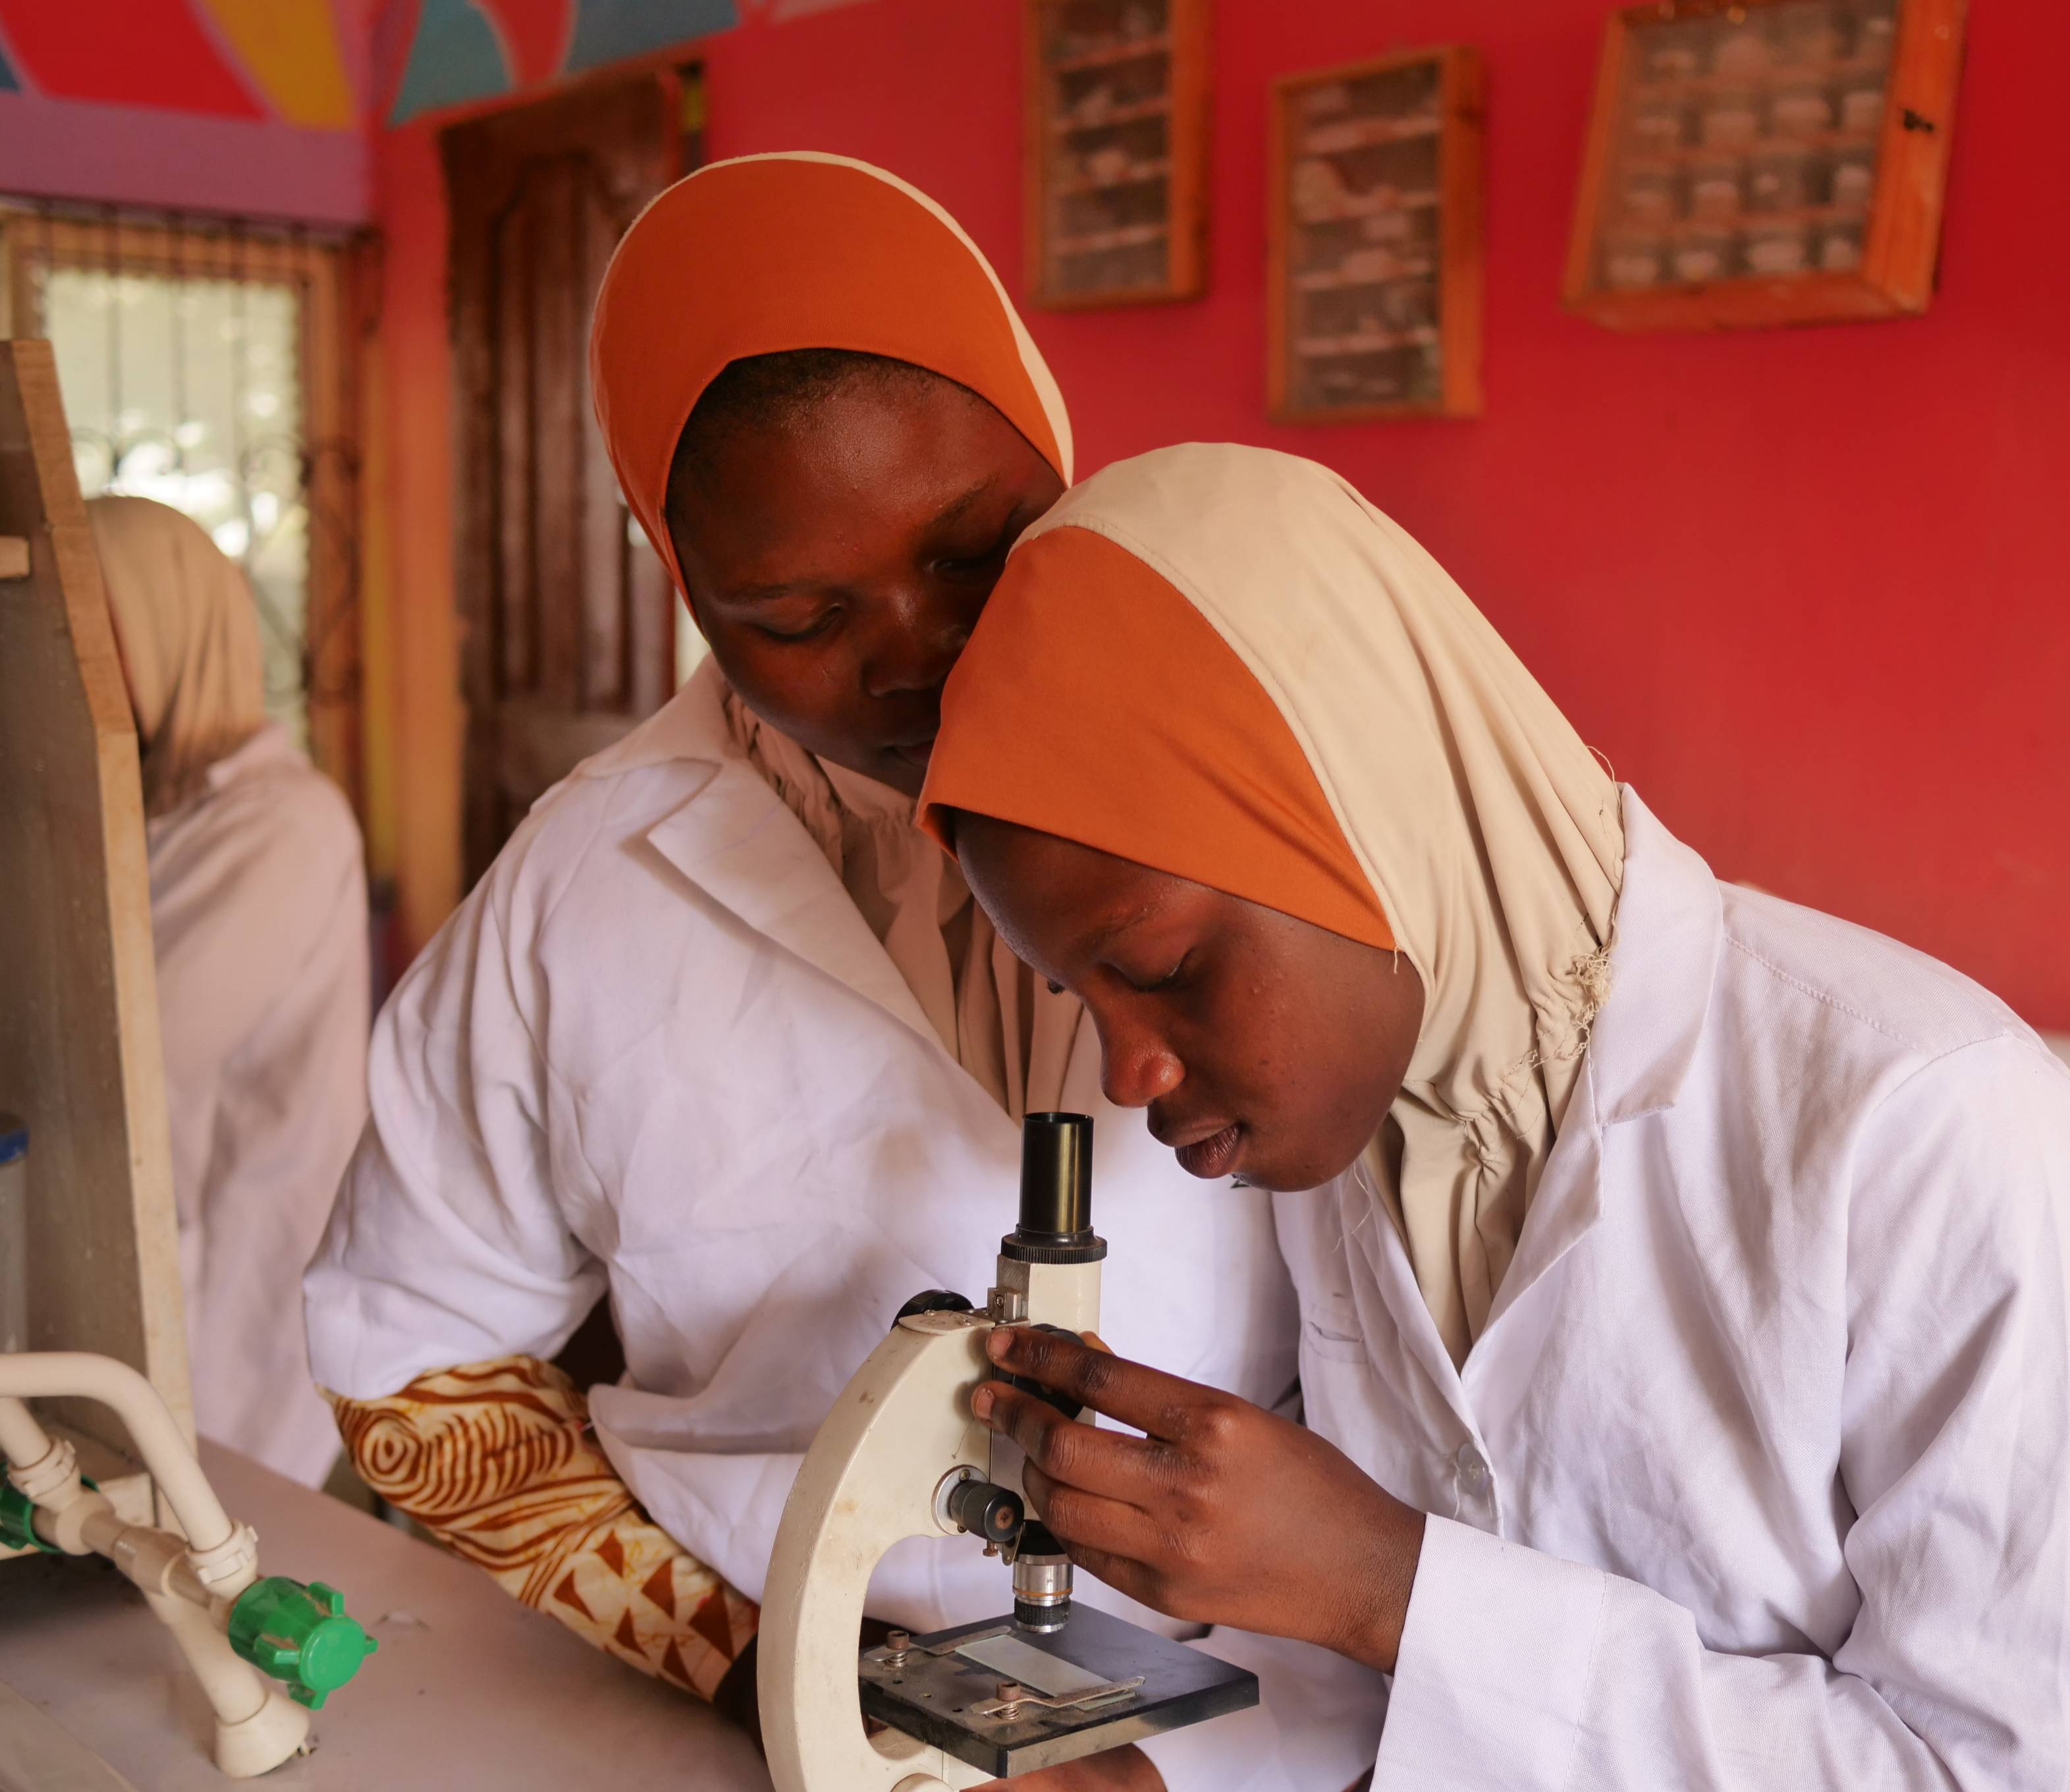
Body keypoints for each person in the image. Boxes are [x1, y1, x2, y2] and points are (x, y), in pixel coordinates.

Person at [918, 442, 2070, 1792]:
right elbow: (1397, 1692)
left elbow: (2006, 1775)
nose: (1125, 1068)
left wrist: (1390, 1581)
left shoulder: (1928, 1120)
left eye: (1159, 969)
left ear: (1364, 820)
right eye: (1076, 995)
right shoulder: (1356, 1136)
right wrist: (1159, 1773)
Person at [302, 157, 1381, 1789]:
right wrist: (788, 1669)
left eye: (967, 551)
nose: (910, 652)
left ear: (1054, 449)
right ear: (678, 581)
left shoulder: (1312, 793)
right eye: (797, 611)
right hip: (766, 1729)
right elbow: (414, 1374)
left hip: (1278, 1724)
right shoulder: (581, 890)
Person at [90, 494, 368, 1487]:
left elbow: (122, 1051)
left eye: (91, 633)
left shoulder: (281, 826)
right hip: (158, 1295)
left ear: (174, 628)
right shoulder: (150, 813)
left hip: (241, 1307)